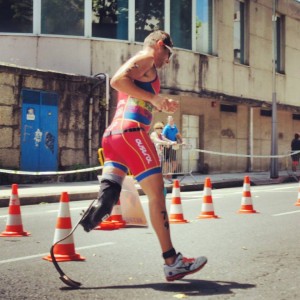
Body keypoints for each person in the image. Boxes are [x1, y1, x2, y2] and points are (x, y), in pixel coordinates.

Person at [80, 30, 207, 281]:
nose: (167, 61)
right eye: (168, 54)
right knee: (157, 194)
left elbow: (133, 94)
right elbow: (117, 80)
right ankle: (172, 262)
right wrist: (155, 98)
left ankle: (92, 214)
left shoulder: (146, 67)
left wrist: (158, 103)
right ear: (160, 45)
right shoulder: (147, 58)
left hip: (113, 136)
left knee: (109, 196)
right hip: (131, 133)